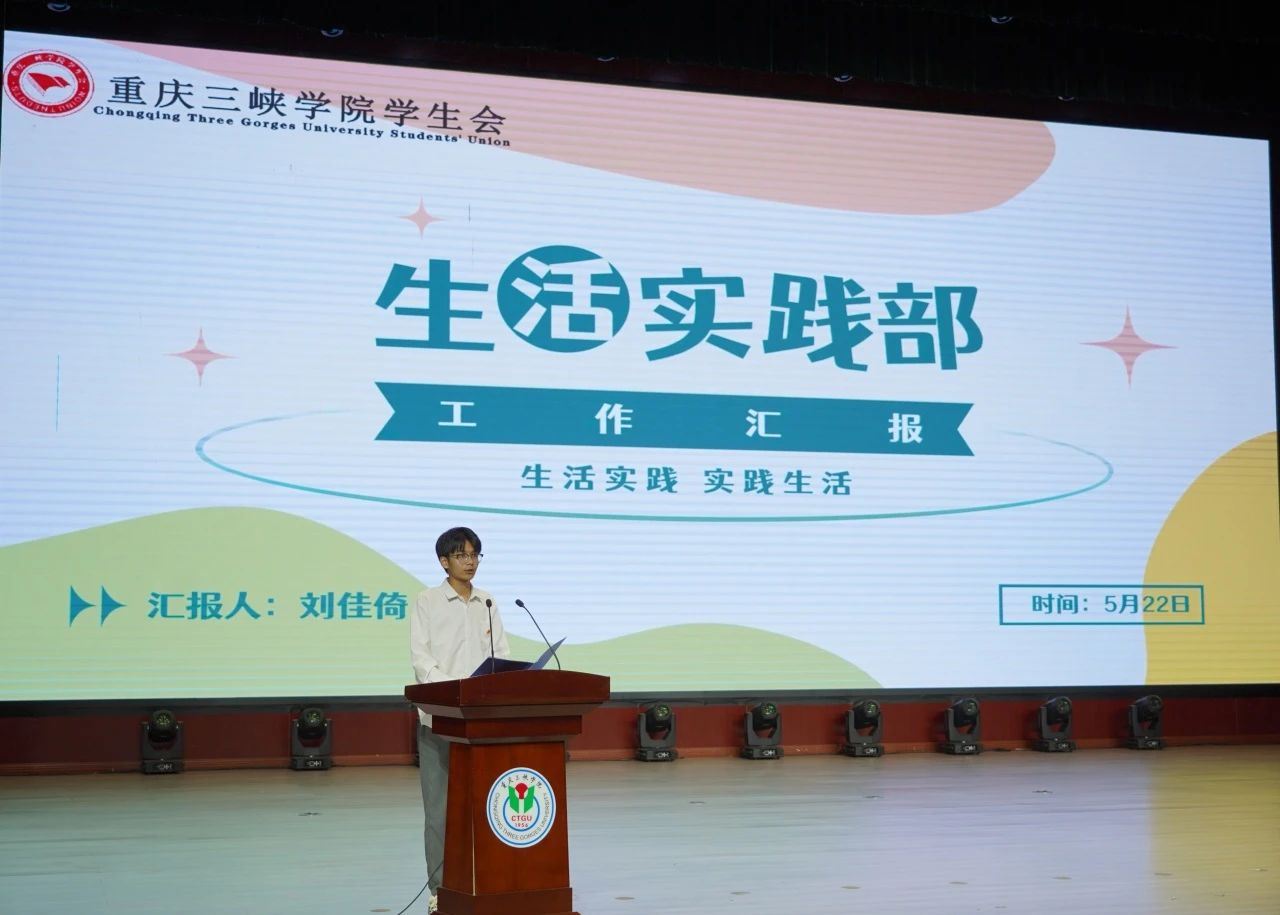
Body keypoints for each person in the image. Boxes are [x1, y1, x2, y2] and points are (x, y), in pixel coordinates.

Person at [411, 526, 510, 913]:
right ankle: (439, 889)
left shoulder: (487, 602)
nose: (470, 562)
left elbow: (500, 656)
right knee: (439, 811)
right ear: (444, 561)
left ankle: (484, 880)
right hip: (439, 719)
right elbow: (422, 660)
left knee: (484, 806)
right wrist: (454, 691)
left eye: (474, 555)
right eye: (461, 555)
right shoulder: (427, 601)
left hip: (481, 723)